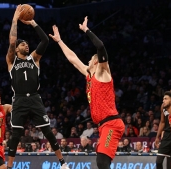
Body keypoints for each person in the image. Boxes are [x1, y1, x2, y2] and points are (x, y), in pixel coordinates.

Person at [49, 16, 125, 169]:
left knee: (102, 161)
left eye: (91, 58)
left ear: (96, 61)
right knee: (103, 161)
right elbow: (72, 58)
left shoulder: (103, 73)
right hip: (103, 125)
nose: (88, 60)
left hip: (112, 123)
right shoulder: (88, 74)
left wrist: (86, 30)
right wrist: (59, 41)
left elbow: (101, 46)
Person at [6, 5, 69, 169]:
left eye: (27, 44)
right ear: (18, 48)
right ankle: (9, 166)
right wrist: (14, 19)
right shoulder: (12, 61)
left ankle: (62, 163)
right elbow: (12, 41)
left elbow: (45, 41)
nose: (26, 45)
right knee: (15, 135)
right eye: (23, 45)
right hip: (19, 99)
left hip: (34, 98)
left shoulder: (34, 58)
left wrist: (33, 23)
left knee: (48, 131)